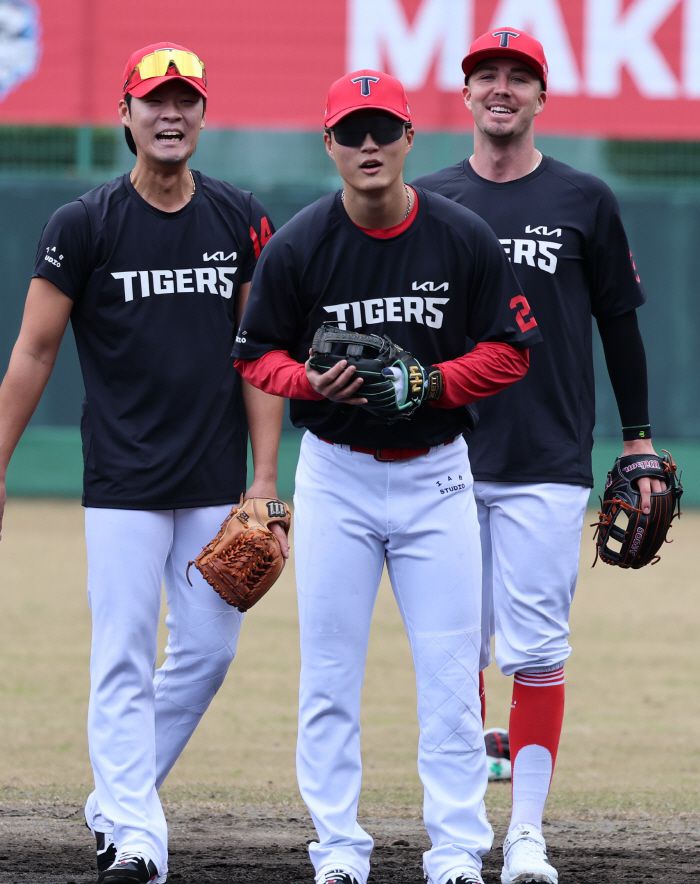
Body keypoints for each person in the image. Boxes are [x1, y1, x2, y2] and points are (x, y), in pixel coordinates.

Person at [231, 69, 541, 884]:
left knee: (448, 676)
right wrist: (307, 382)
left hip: (439, 475)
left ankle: (458, 852)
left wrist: (434, 382)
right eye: (351, 132)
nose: (368, 145)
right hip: (337, 475)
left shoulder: (462, 235)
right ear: (327, 143)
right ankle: (337, 850)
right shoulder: (299, 243)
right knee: (329, 673)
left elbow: (511, 350)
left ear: (409, 137)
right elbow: (255, 354)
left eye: (382, 130)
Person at [0, 42, 284, 884]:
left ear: (203, 114)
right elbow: (33, 354)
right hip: (121, 484)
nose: (171, 113)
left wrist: (265, 481)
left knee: (208, 651)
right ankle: (137, 839)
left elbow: (261, 357)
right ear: (125, 115)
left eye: (186, 99)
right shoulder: (83, 225)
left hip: (211, 482)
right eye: (154, 100)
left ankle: (115, 802)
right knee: (121, 652)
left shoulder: (241, 219)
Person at [413, 27, 662, 884]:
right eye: (488, 75)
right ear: (468, 91)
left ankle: (525, 834)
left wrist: (637, 436)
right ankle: (462, 832)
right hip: (444, 457)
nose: (502, 89)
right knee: (456, 652)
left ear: (541, 97)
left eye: (520, 77)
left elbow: (620, 326)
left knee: (539, 650)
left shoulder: (584, 198)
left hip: (549, 459)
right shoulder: (431, 199)